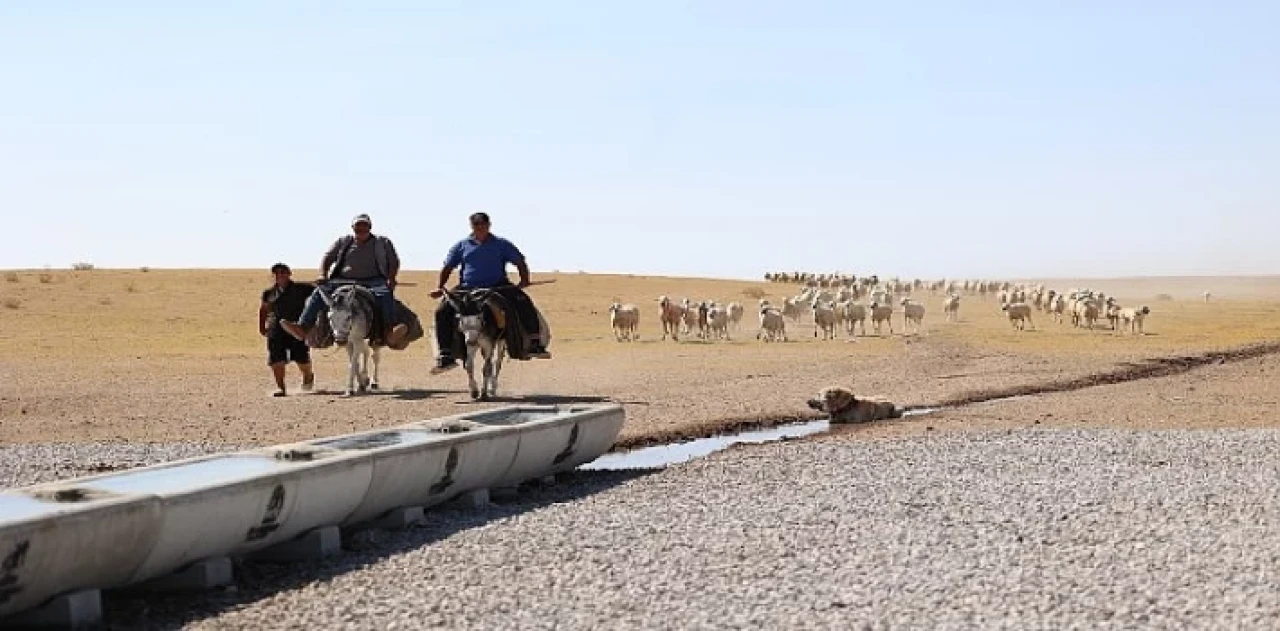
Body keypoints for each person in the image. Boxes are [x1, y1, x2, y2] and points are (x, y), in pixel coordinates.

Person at [430, 212, 550, 372]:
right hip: (467, 288)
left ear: (489, 225)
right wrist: (440, 286)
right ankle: (445, 354)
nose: (480, 228)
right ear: (471, 226)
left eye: (483, 225)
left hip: (497, 286)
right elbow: (448, 267)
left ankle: (534, 343)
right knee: (442, 310)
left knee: (523, 301)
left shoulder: (502, 244)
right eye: (476, 225)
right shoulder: (461, 246)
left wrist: (524, 280)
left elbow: (520, 262)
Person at [281, 214, 408, 347]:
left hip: (374, 281)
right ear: (352, 227)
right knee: (319, 293)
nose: (361, 228)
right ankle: (303, 326)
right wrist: (323, 275)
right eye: (358, 225)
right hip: (342, 280)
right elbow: (328, 258)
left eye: (364, 225)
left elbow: (394, 261)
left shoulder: (382, 242)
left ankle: (389, 330)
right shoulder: (344, 241)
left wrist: (391, 278)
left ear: (370, 227)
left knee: (385, 294)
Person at [259, 263, 315, 397]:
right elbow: (264, 309)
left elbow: (318, 293)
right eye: (276, 273)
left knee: (301, 357)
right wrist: (262, 327)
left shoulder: (302, 289)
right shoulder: (269, 293)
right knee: (275, 357)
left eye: (283, 272)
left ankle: (308, 376)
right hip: (276, 328)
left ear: (289, 273)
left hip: (296, 327)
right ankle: (281, 388)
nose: (280, 275)